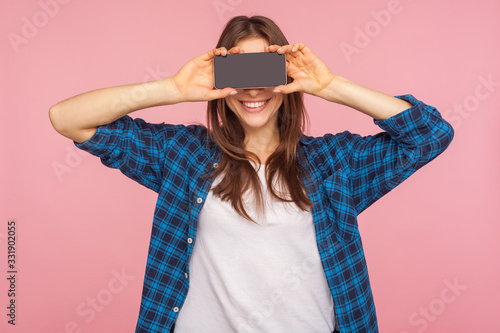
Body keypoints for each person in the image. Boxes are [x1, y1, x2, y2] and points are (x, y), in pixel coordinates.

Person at [49, 15, 454, 333]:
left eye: (266, 71)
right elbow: (68, 119)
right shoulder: (183, 155)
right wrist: (172, 88)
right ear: (223, 82)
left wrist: (330, 85)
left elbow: (431, 136)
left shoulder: (335, 163)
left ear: (287, 79)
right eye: (240, 73)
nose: (253, 89)